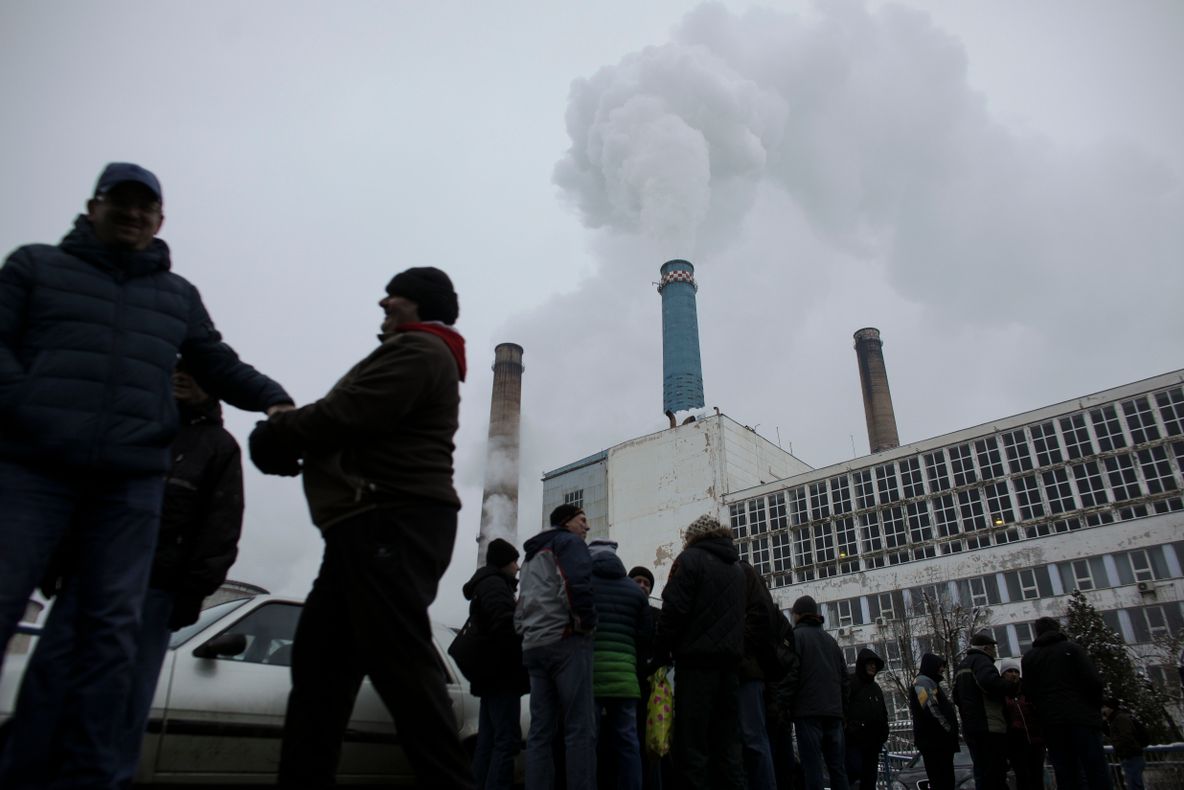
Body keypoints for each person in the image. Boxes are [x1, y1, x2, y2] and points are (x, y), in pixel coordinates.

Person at [0, 162, 292, 787]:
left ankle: (90, 778)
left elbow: (217, 360)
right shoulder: (35, 267)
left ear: (160, 218)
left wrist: (276, 399)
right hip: (35, 467)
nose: (133, 215)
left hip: (128, 480)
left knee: (111, 634)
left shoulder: (175, 296)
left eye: (146, 206)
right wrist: (23, 402)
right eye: (121, 203)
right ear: (93, 205)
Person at [249, 266, 472, 789]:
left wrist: (279, 431)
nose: (383, 305)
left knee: (405, 674)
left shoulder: (420, 352)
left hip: (388, 523)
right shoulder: (421, 352)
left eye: (393, 297)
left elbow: (346, 414)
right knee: (321, 673)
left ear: (417, 303)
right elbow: (349, 426)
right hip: (364, 528)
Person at [2, 362, 247, 789]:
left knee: (122, 703)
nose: (183, 376)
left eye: (197, 372)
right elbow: (78, 497)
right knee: (49, 690)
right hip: (86, 581)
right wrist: (58, 563)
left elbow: (220, 530)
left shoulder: (217, 446)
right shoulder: (124, 428)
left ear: (214, 389)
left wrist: (188, 596)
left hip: (154, 593)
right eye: (176, 368)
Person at [650, 514, 746, 790]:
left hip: (696, 666)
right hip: (730, 669)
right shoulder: (737, 569)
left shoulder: (689, 561)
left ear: (692, 538)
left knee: (692, 746)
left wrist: (660, 653)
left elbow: (673, 611)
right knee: (728, 747)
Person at [514, 504, 598, 790]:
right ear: (567, 522)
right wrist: (585, 623)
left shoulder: (530, 556)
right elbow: (575, 585)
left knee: (540, 731)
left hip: (534, 646)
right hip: (565, 641)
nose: (587, 526)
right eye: (582, 520)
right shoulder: (569, 543)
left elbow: (521, 603)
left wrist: (525, 633)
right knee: (579, 728)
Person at [462, 538, 529, 790]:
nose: (518, 567)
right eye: (515, 561)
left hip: (489, 676)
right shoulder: (495, 585)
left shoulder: (486, 584)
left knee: (488, 742)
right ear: (504, 562)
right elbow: (504, 626)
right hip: (501, 675)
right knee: (507, 741)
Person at [588, 540, 650, 790]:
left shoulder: (583, 585)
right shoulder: (635, 591)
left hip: (590, 678)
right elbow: (645, 638)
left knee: (588, 741)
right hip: (625, 678)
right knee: (628, 742)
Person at [1022, 616, 1111, 790]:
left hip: (1052, 724)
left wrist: (1042, 713)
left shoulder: (1029, 658)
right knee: (1095, 769)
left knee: (1065, 772)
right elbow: (1094, 682)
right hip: (1082, 719)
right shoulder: (1072, 650)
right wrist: (1094, 708)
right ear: (1057, 629)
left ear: (1037, 632)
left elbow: (1028, 692)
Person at [789, 594, 850, 790]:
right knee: (838, 769)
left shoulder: (796, 638)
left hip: (808, 713)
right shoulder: (831, 642)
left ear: (798, 615)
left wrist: (784, 706)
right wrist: (842, 710)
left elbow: (791, 675)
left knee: (812, 768)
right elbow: (844, 680)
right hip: (834, 714)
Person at [736, 560, 781, 790]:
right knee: (751, 741)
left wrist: (737, 645)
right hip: (750, 671)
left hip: (746, 671)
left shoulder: (742, 572)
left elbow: (761, 620)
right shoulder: (747, 573)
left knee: (751, 741)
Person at [953, 630, 1014, 790]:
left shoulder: (962, 665)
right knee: (995, 773)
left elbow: (956, 696)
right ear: (986, 648)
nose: (995, 652)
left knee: (981, 772)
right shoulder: (982, 662)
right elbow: (990, 683)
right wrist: (1011, 687)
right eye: (993, 648)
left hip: (971, 728)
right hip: (989, 726)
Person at [627, 565, 666, 790]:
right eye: (638, 581)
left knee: (652, 743)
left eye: (646, 583)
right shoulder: (624, 612)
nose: (642, 586)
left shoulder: (656, 615)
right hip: (627, 684)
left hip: (651, 689)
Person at [909, 653, 960, 790]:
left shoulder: (930, 682)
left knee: (944, 780)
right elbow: (931, 709)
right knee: (942, 780)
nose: (942, 669)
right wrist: (948, 729)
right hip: (935, 742)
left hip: (938, 742)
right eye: (940, 666)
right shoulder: (922, 682)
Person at [845, 648, 889, 790]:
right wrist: (849, 728)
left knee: (870, 780)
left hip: (873, 743)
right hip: (854, 742)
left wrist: (884, 733)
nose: (872, 667)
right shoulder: (851, 683)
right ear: (862, 664)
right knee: (853, 771)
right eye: (869, 663)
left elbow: (883, 712)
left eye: (875, 665)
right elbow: (841, 706)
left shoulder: (876, 688)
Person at [999, 659, 1045, 790]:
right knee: (1023, 778)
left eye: (1016, 671)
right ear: (1003, 674)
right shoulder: (1001, 694)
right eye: (1009, 671)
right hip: (1016, 743)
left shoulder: (1028, 690)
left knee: (1037, 777)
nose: (1013, 674)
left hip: (1036, 740)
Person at [1102, 698, 1145, 790]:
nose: (1103, 710)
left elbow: (1126, 736)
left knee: (1134, 784)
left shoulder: (1120, 718)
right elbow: (1114, 735)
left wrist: (1120, 748)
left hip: (1131, 755)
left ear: (1111, 708)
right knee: (1134, 783)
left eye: (1105, 707)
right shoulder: (1116, 719)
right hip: (1130, 755)